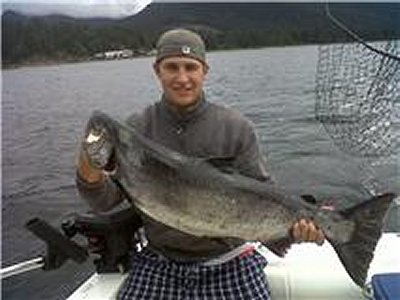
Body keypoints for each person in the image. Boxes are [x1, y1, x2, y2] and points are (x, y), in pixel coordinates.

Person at [76, 28, 324, 299]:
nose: (182, 78)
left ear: (204, 70)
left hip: (231, 260)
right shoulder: (137, 129)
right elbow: (106, 202)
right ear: (158, 70)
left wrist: (300, 224)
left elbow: (263, 191)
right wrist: (89, 173)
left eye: (190, 67)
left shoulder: (236, 128)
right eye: (172, 67)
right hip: (159, 261)